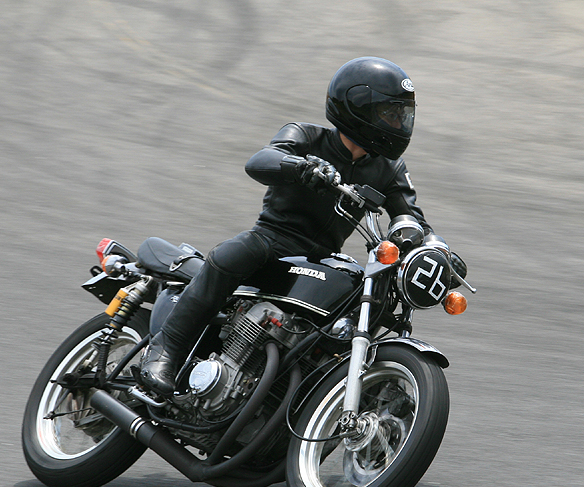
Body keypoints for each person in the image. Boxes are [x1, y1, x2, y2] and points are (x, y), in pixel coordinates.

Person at [139, 56, 446, 394]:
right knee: (233, 253)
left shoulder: (389, 169)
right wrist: (301, 167)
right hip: (274, 239)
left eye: (402, 114)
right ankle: (166, 349)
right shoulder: (305, 136)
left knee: (360, 301)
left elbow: (410, 216)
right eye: (390, 114)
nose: (399, 122)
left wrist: (436, 248)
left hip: (323, 259)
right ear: (358, 107)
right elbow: (260, 161)